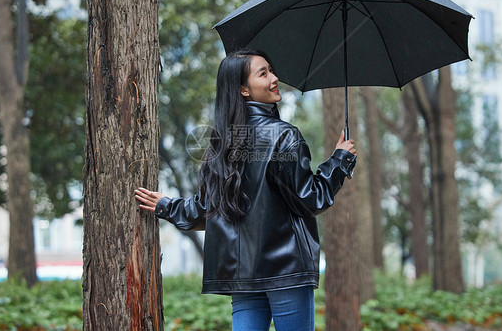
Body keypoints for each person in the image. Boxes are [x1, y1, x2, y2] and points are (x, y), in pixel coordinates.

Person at [134, 49, 356, 331]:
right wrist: (339, 161)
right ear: (243, 90)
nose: (274, 78)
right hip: (286, 270)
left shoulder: (222, 142)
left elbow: (208, 208)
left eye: (271, 70)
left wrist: (168, 206)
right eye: (263, 73)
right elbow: (310, 199)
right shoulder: (284, 135)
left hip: (243, 272)